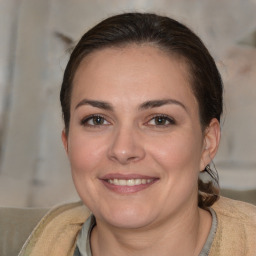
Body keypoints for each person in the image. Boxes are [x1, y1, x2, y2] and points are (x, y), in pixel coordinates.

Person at [18, 12, 256, 256]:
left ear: (207, 143)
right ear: (67, 142)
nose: (123, 150)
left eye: (159, 120)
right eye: (97, 120)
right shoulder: (19, 241)